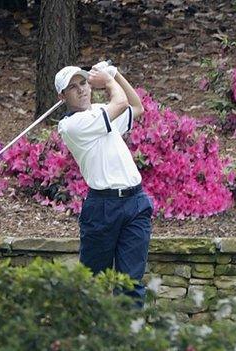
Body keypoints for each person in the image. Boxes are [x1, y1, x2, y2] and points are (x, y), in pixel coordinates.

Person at [55, 61, 153, 307]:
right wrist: (109, 81)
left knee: (131, 284)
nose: (82, 89)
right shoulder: (72, 125)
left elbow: (136, 107)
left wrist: (116, 73)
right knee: (92, 284)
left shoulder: (99, 112)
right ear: (62, 96)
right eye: (73, 87)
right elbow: (120, 104)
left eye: (84, 83)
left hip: (136, 203)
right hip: (102, 207)